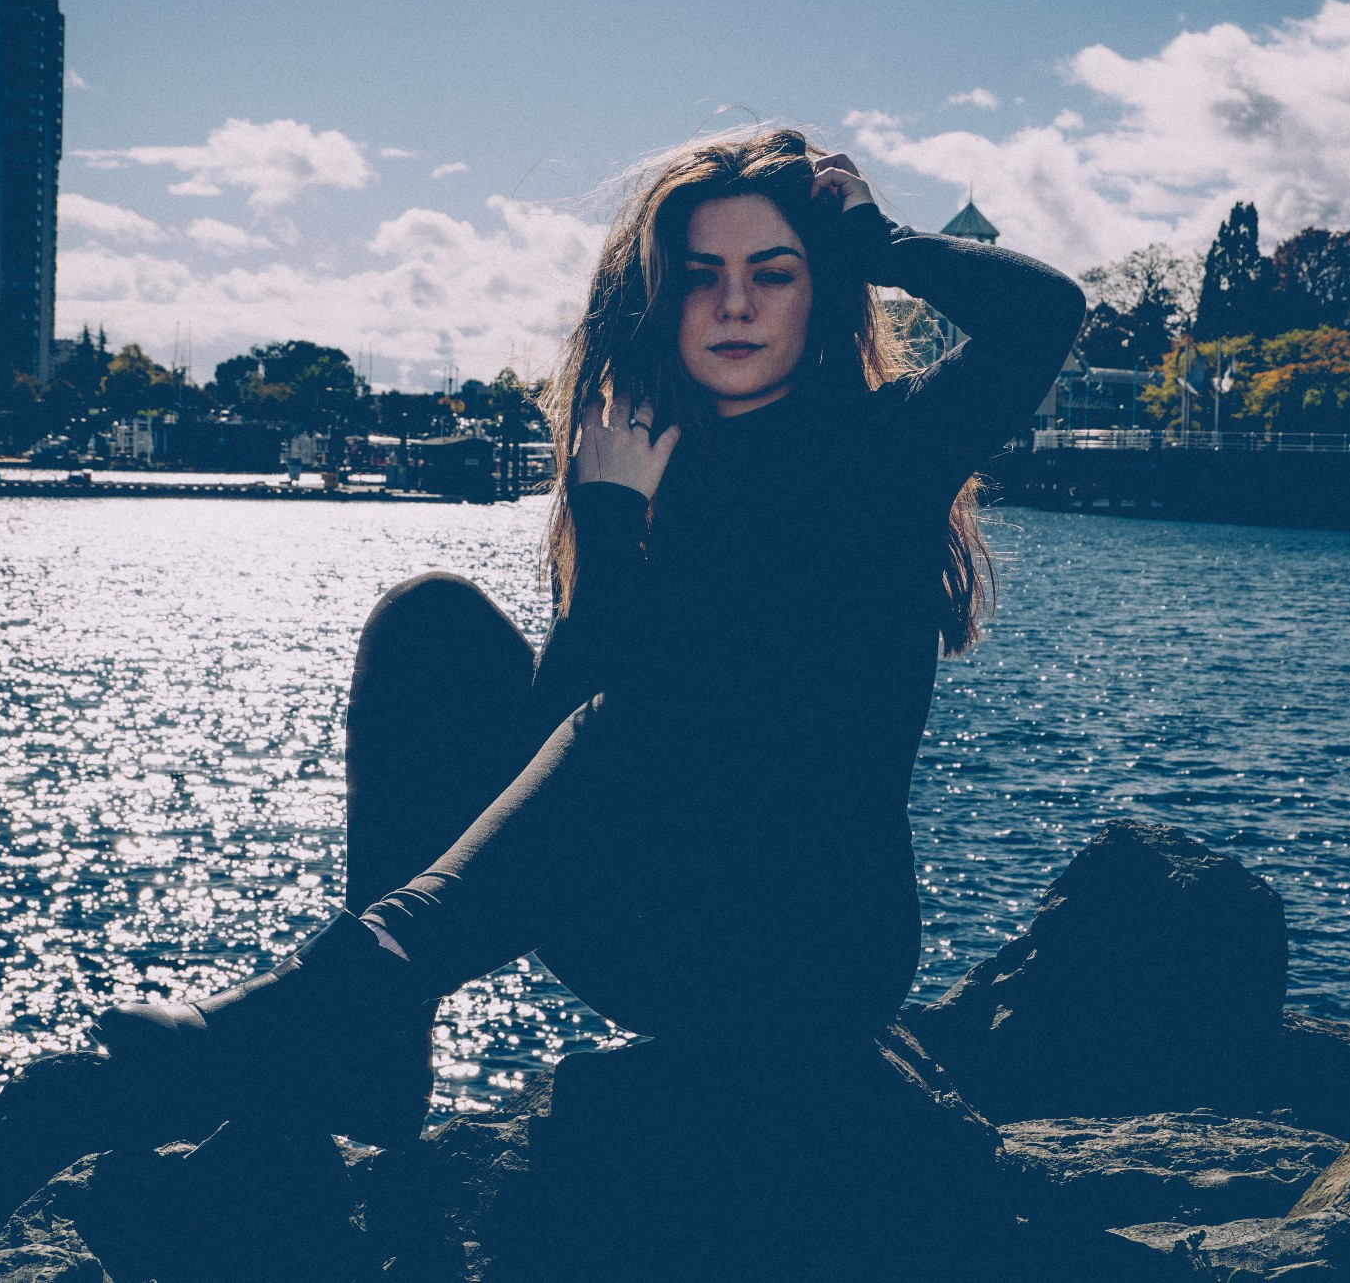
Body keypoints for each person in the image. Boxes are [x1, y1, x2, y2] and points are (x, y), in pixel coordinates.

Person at [90, 128, 1085, 1149]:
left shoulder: (891, 445)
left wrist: (879, 242)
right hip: (649, 927)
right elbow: (560, 734)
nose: (734, 303)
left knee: (675, 682)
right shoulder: (637, 460)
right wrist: (610, 526)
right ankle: (375, 1045)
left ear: (820, 289)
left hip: (813, 953)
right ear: (659, 301)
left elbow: (1045, 314)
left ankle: (352, 975)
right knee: (431, 622)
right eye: (700, 276)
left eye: (770, 273)